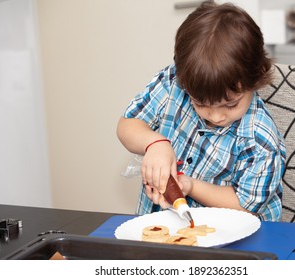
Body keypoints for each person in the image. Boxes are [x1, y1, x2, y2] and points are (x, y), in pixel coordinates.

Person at [116, 1, 286, 221]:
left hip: (233, 238)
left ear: (256, 79)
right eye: (200, 103)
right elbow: (127, 125)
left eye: (230, 104)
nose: (215, 116)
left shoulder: (261, 140)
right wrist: (155, 143)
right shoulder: (172, 83)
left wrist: (190, 186)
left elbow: (245, 205)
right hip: (163, 227)